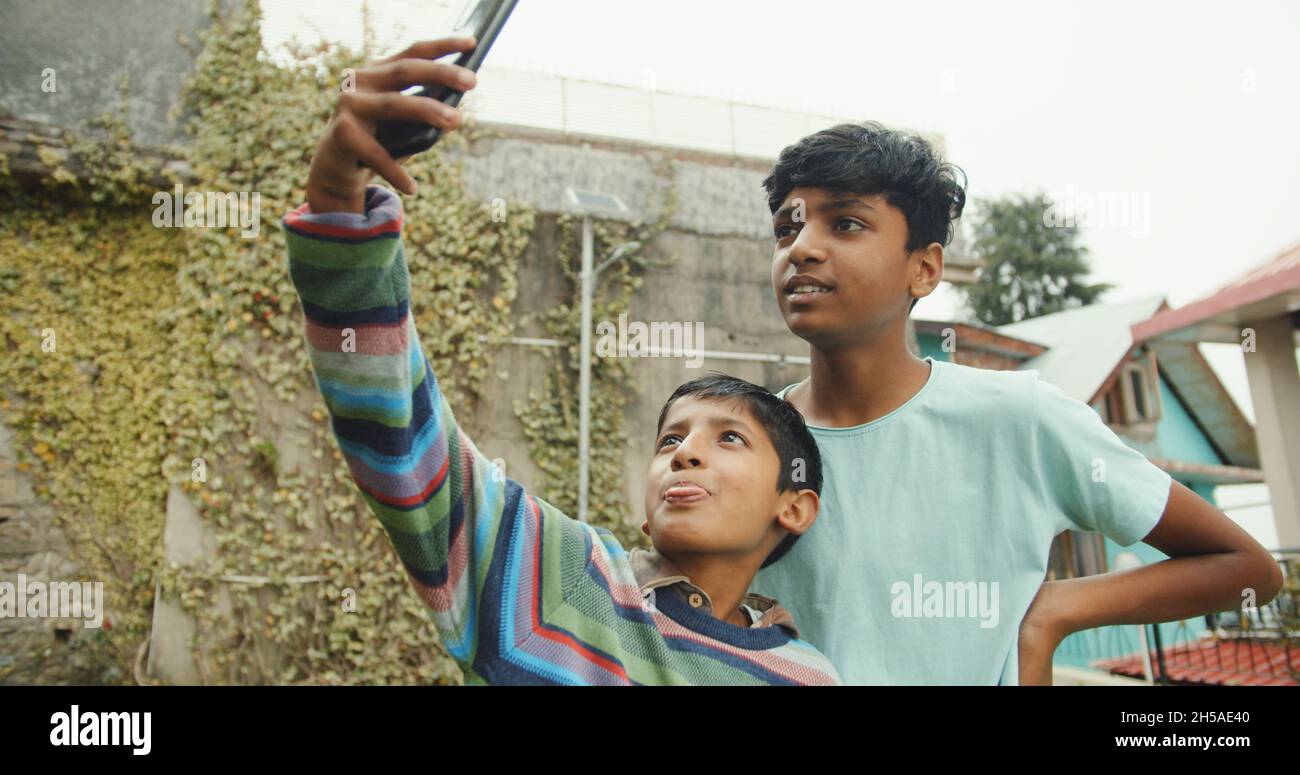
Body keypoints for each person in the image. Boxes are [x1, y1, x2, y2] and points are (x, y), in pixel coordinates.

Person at [282, 36, 840, 685]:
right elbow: (404, 437)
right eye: (670, 440)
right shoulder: (563, 579)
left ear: (794, 506)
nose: (683, 454)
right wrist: (336, 195)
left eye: (731, 437)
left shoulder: (808, 675)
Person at [748, 120, 1285, 684]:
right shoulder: (746, 445)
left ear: (924, 269)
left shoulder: (1018, 418)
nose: (802, 247)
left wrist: (1052, 613)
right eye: (787, 229)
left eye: (847, 224)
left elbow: (1246, 568)